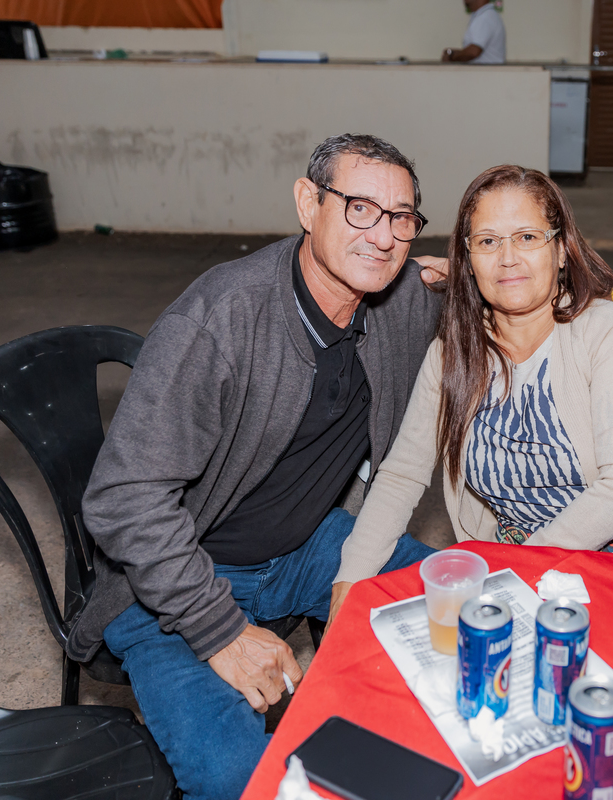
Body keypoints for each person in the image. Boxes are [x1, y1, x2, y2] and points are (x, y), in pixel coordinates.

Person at [66, 134, 443, 800]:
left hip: (307, 543)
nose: (382, 237)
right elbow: (123, 497)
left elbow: (514, 294)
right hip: (174, 580)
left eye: (401, 218)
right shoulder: (220, 320)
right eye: (359, 208)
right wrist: (220, 631)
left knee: (468, 611)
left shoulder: (402, 296)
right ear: (307, 202)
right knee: (237, 777)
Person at [328, 166, 613, 621]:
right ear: (468, 258)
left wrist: (511, 575)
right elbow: (401, 475)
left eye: (528, 238)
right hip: (526, 570)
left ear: (560, 250)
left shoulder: (606, 331)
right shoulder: (452, 354)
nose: (508, 258)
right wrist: (351, 579)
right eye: (488, 242)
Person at [442, 0, 506, 64]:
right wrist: (454, 53)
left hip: (485, 72)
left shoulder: (485, 17)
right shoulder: (484, 15)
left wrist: (451, 57)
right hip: (485, 72)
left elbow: (473, 52)